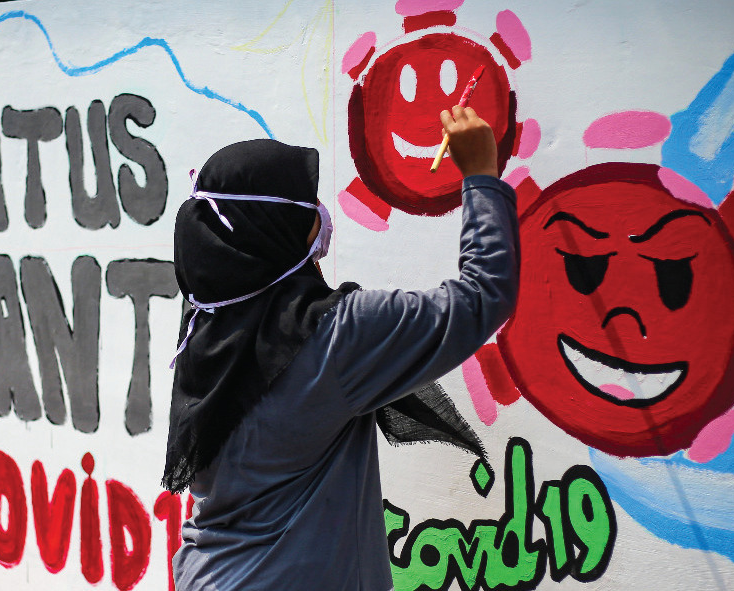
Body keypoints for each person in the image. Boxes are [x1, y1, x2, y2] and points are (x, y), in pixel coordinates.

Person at [165, 106, 519, 590]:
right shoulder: (336, 335)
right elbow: (482, 296)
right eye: (308, 207)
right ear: (279, 230)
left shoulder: (208, 323)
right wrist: (481, 175)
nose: (322, 215)